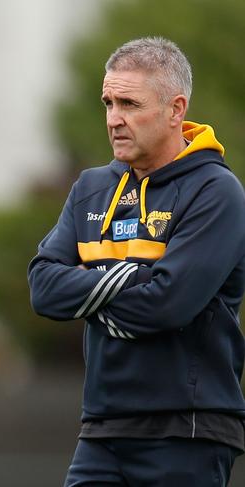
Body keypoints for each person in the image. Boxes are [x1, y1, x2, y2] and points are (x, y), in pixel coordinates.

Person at [28, 37, 245, 486]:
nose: (114, 119)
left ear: (175, 109)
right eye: (108, 102)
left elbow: (167, 305)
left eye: (129, 103)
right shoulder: (90, 188)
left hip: (188, 430)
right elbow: (43, 288)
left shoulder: (216, 192)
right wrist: (138, 278)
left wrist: (92, 287)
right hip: (102, 429)